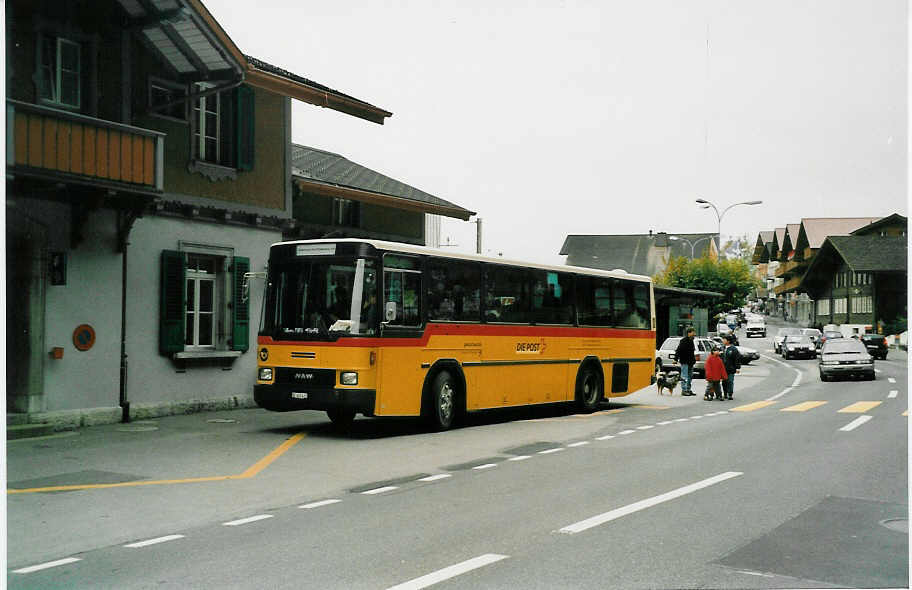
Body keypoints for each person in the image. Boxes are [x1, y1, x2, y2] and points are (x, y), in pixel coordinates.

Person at [674, 328, 697, 396]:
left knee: (690, 376)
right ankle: (684, 390)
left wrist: (694, 360)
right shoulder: (683, 341)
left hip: (691, 362)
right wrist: (675, 359)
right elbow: (678, 350)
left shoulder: (691, 341)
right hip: (684, 361)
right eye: (693, 332)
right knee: (684, 376)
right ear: (689, 333)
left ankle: (688, 389)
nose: (694, 334)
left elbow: (692, 352)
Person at [721, 334, 741, 400]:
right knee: (724, 382)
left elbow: (737, 359)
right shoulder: (722, 348)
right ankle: (725, 393)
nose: (723, 340)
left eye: (724, 339)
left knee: (730, 381)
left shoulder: (733, 349)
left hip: (731, 369)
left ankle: (730, 394)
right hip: (723, 369)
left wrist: (737, 368)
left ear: (728, 341)